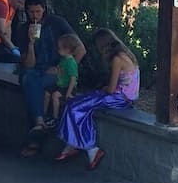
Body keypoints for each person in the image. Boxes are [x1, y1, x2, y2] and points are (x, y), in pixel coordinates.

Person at [54, 28, 140, 167]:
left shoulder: (117, 59)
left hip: (120, 98)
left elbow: (111, 89)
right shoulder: (126, 54)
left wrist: (105, 88)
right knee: (75, 103)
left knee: (77, 107)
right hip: (123, 96)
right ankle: (72, 143)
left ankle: (91, 149)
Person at [14, 0, 74, 156]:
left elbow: (79, 48)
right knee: (29, 77)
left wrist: (65, 67)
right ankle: (40, 123)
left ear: (44, 9)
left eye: (38, 12)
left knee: (32, 88)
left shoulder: (57, 23)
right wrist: (31, 44)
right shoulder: (23, 30)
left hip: (56, 71)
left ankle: (35, 137)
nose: (35, 16)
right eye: (31, 12)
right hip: (35, 71)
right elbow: (28, 64)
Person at [35, 33, 83, 132]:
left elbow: (73, 79)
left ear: (67, 50)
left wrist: (69, 92)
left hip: (67, 87)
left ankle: (55, 118)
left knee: (55, 95)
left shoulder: (71, 63)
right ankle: (44, 114)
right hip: (60, 83)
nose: (58, 49)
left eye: (60, 48)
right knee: (47, 92)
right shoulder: (63, 60)